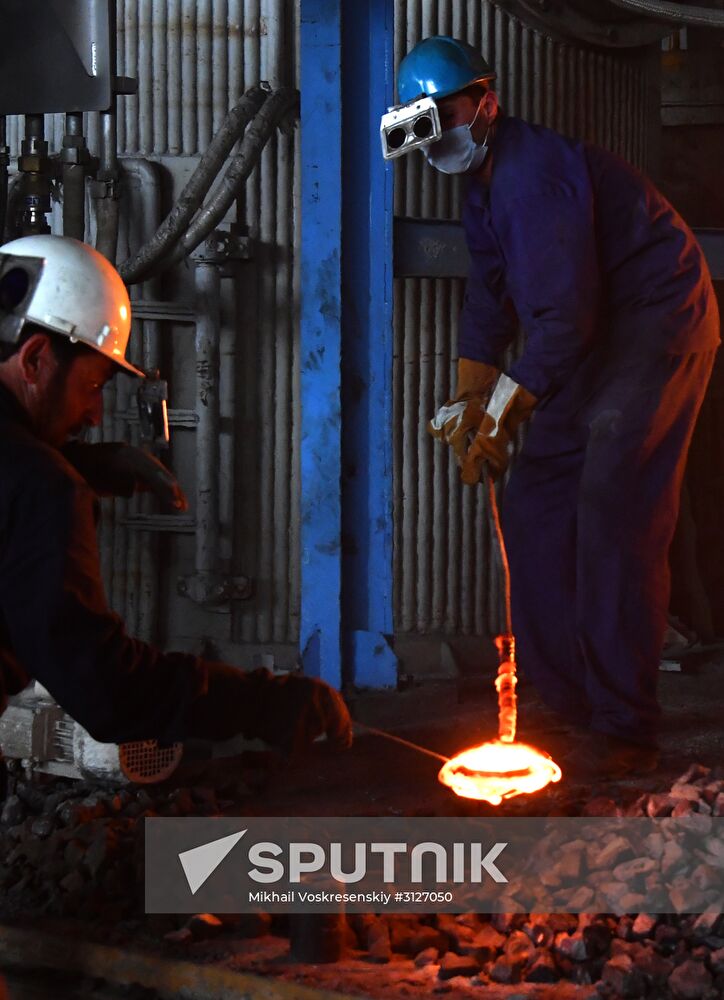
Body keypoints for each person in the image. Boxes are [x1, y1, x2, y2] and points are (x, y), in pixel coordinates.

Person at [392, 36, 720, 778]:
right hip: (593, 338)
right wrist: (472, 393)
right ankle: (561, 702)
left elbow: (563, 318)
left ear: (487, 102)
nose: (438, 130)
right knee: (537, 501)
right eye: (423, 119)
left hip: (655, 326)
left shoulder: (532, 175)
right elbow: (490, 290)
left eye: (447, 112)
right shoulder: (481, 183)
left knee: (613, 511)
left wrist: (507, 405)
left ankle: (623, 725)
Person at [0, 234, 352, 754]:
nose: (95, 415)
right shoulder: (40, 489)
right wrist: (262, 703)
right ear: (34, 361)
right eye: (94, 386)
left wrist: (80, 465)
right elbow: (105, 689)